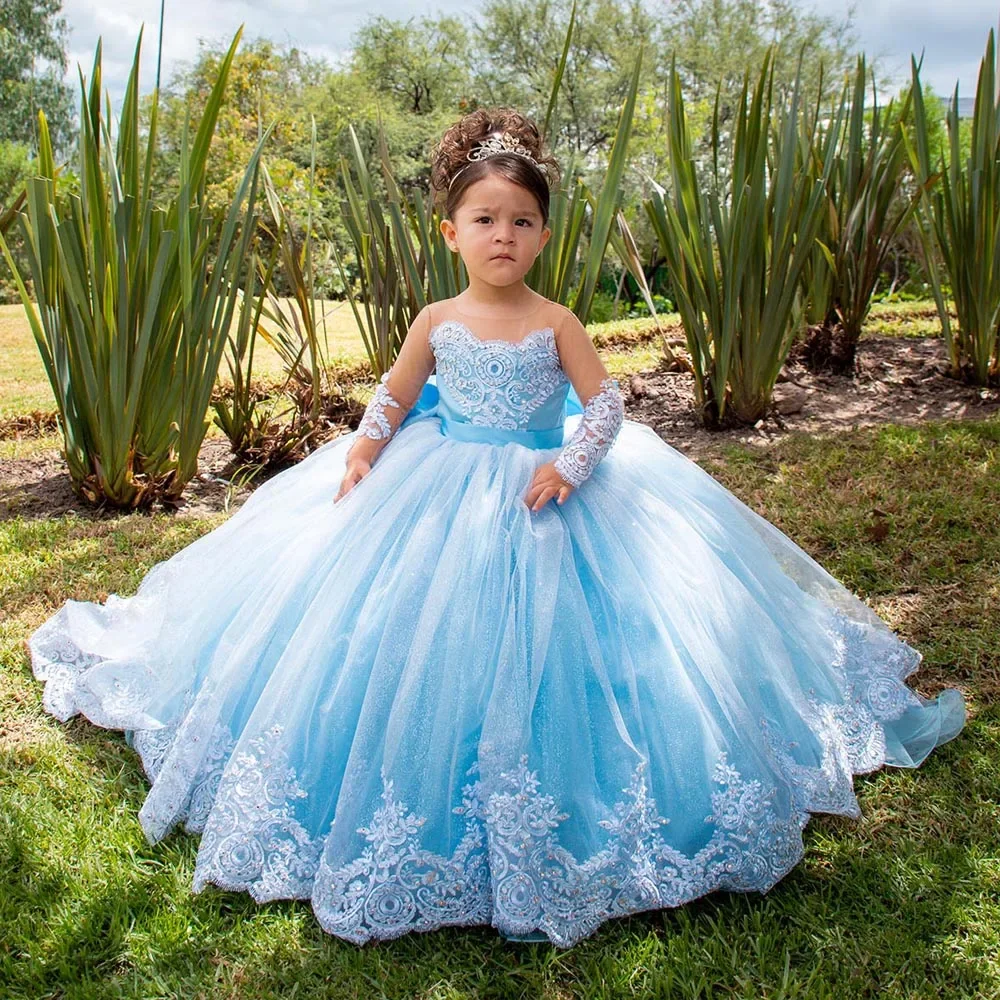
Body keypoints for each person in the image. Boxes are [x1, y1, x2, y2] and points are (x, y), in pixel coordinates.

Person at [27, 107, 965, 949]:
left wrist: (569, 463)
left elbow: (608, 408)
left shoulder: (558, 319)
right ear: (451, 233)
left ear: (544, 235)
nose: (502, 235)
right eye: (484, 220)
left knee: (584, 646)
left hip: (542, 485)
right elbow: (396, 395)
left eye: (520, 220)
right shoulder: (437, 316)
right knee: (400, 632)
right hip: (438, 487)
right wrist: (363, 449)